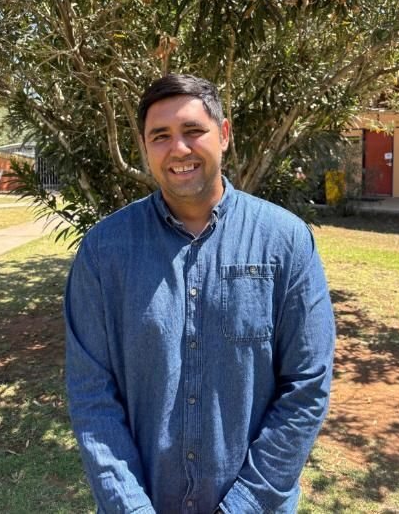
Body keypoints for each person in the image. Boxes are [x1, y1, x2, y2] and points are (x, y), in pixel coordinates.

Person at [65, 74, 335, 514]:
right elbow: (91, 394)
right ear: (145, 146)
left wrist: (245, 505)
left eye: (193, 131)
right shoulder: (103, 252)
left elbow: (306, 386)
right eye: (161, 136)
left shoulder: (285, 241)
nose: (179, 149)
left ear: (224, 134)